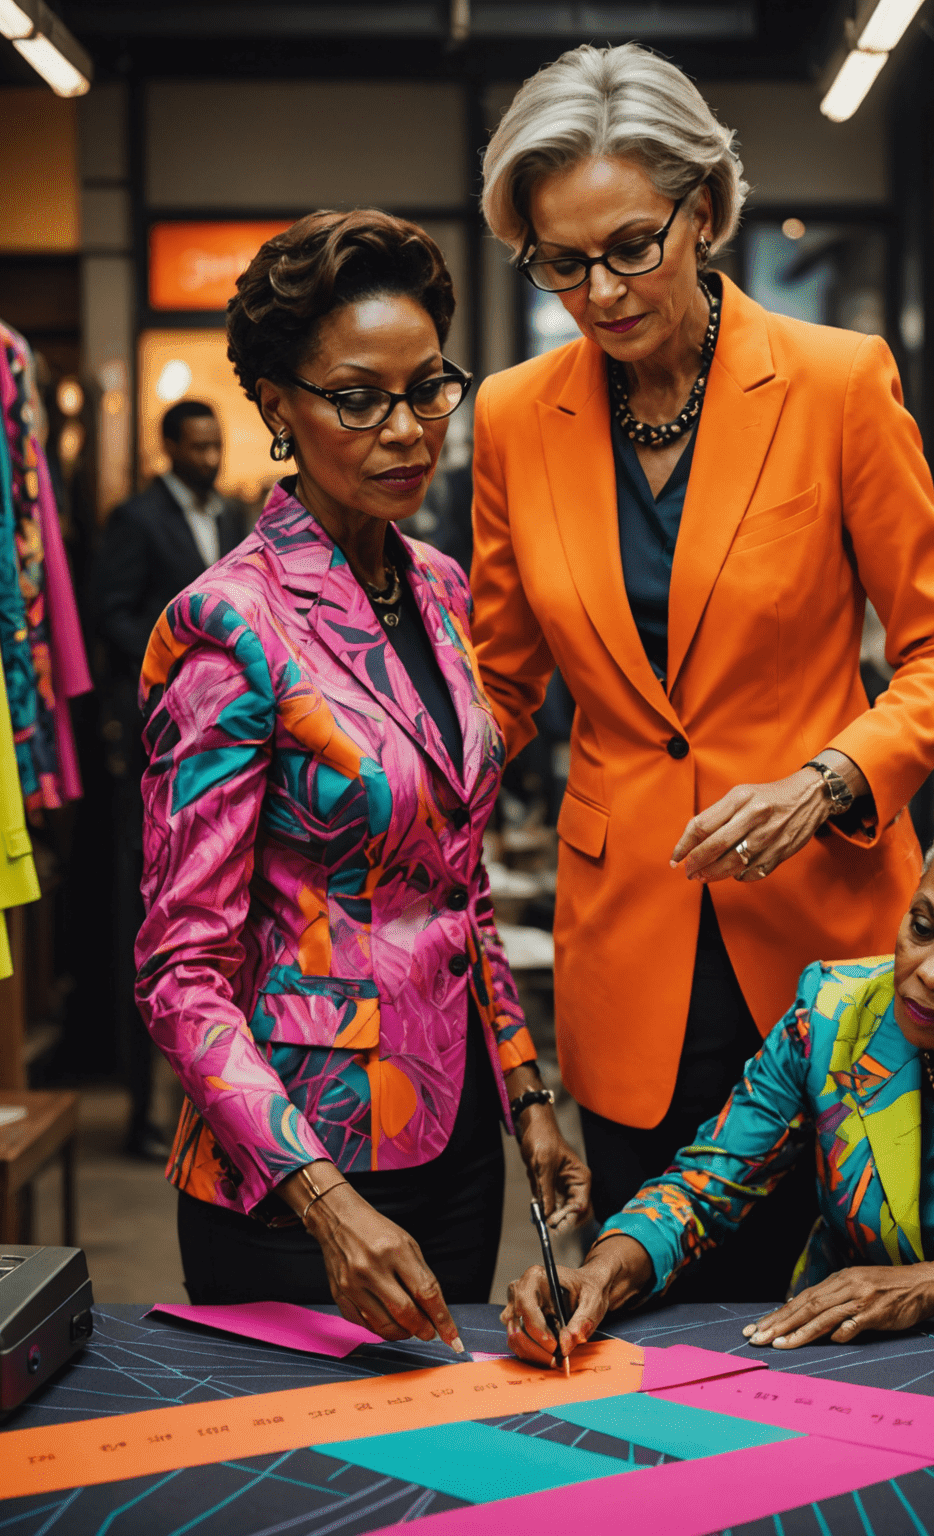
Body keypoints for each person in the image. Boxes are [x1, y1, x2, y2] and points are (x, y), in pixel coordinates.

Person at [471, 43, 934, 1298]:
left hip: (829, 929)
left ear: (704, 210)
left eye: (631, 245)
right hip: (627, 942)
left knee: (839, 1315)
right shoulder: (509, 414)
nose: (598, 290)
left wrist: (826, 782)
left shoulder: (835, 384)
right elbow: (500, 685)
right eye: (561, 260)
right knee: (650, 1321)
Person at [135, 209, 590, 1338]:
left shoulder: (439, 588)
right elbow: (179, 973)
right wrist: (327, 1206)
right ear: (279, 404)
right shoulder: (227, 628)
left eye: (429, 389)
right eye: (359, 397)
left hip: (458, 1133)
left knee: (448, 1482)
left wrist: (527, 1090)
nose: (407, 430)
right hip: (295, 1176)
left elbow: (457, 878)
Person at [503, 777, 934, 1358]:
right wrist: (598, 1272)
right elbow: (705, 1185)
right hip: (842, 1363)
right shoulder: (834, 1012)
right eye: (922, 925)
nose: (929, 973)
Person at [95, 401, 249, 1161]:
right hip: (161, 744)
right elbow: (110, 614)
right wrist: (180, 650)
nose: (212, 456)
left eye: (217, 443)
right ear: (169, 448)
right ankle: (142, 1115)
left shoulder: (234, 520)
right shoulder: (136, 520)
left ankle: (209, 1104)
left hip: (226, 750)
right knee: (159, 928)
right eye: (198, 445)